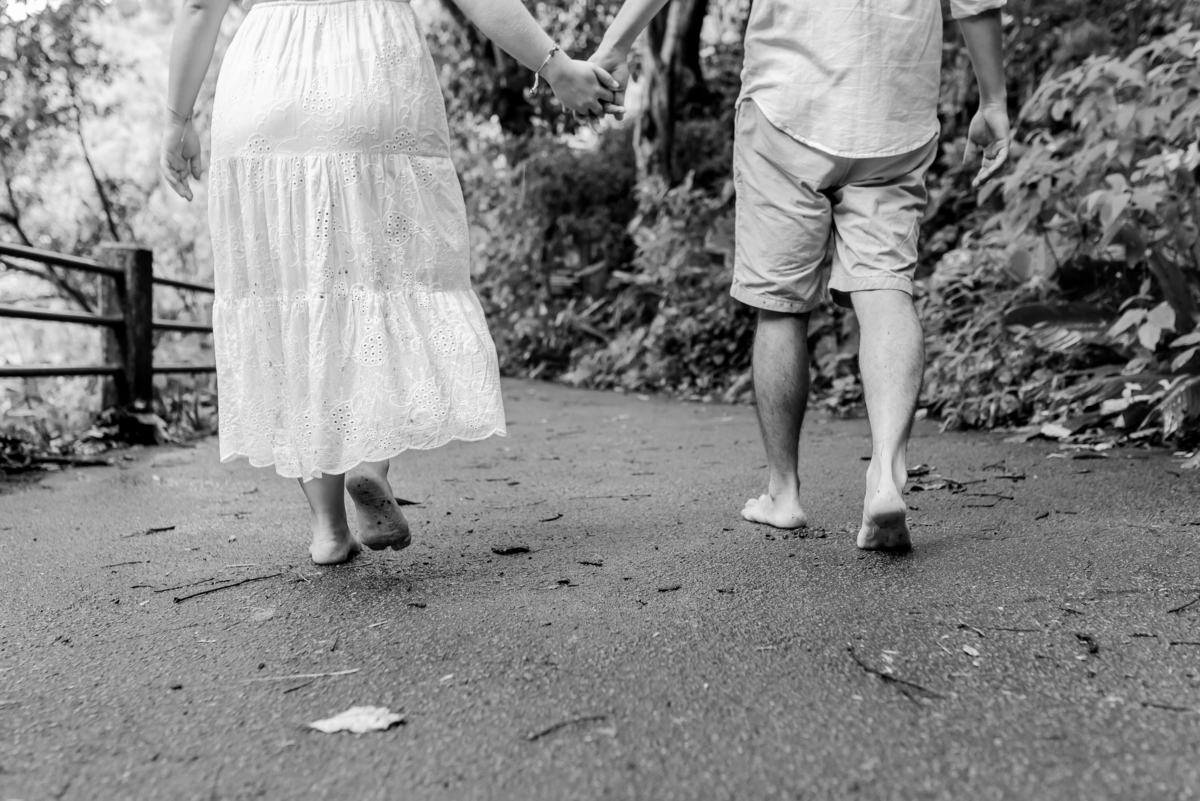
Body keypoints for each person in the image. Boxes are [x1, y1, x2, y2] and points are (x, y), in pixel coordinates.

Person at [160, 0, 622, 565]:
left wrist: (177, 120)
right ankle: (369, 463)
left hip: (264, 86)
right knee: (386, 280)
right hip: (374, 73)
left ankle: (328, 530)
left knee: (297, 296)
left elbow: (198, 6)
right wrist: (555, 66)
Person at [591, 0, 1010, 550]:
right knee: (885, 288)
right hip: (894, 114)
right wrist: (994, 99)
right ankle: (885, 470)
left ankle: (783, 494)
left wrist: (614, 46)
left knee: (780, 307)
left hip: (786, 107)